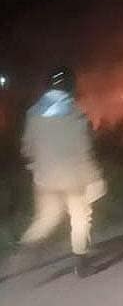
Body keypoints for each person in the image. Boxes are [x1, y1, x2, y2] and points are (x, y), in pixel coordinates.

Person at [20, 66, 107, 277]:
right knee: (80, 216)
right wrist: (95, 178)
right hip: (72, 178)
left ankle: (25, 248)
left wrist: (37, 163)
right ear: (70, 86)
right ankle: (81, 263)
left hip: (44, 178)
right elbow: (84, 150)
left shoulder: (32, 114)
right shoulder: (76, 116)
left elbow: (27, 148)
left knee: (47, 217)